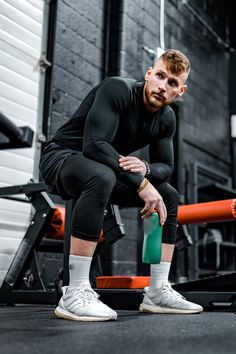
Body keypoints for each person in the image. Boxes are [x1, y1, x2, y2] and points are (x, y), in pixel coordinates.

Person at [39, 49, 203, 321]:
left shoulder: (167, 118)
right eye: (160, 76)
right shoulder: (118, 90)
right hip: (62, 157)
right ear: (149, 74)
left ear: (181, 90)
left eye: (172, 82)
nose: (163, 86)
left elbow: (166, 167)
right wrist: (141, 183)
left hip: (106, 168)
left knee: (169, 195)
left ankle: (158, 290)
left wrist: (147, 169)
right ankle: (75, 292)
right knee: (101, 176)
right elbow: (93, 145)